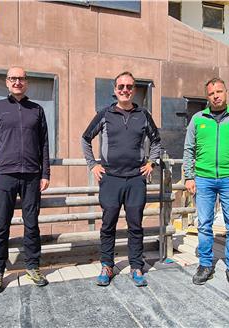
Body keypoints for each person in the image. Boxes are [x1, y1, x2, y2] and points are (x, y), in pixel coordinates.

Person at [81, 71, 162, 287]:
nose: (125, 90)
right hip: (111, 179)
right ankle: (107, 265)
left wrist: (151, 163)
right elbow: (85, 138)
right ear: (115, 90)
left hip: (136, 178)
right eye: (121, 87)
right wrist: (93, 164)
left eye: (129, 87)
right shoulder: (105, 114)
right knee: (109, 224)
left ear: (134, 90)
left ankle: (136, 266)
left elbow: (156, 141)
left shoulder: (143, 114)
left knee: (135, 225)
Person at [183, 78, 229, 292]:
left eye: (219, 91)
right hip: (204, 179)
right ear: (207, 97)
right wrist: (189, 176)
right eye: (211, 93)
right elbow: (189, 149)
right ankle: (205, 265)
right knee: (204, 223)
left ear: (226, 92)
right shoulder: (198, 119)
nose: (215, 95)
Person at [0, 66, 51, 294]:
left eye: (21, 78)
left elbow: (44, 144)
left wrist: (45, 173)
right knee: (1, 223)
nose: (17, 82)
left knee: (31, 224)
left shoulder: (37, 110)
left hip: (32, 175)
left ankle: (32, 266)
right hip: (5, 174)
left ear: (26, 82)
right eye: (13, 78)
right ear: (6, 82)